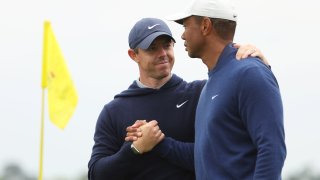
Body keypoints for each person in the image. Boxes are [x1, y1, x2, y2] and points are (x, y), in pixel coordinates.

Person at [88, 17, 268, 180]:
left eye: (166, 45)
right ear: (134, 55)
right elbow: (97, 174)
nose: (162, 54)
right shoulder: (114, 111)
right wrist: (135, 149)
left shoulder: (201, 93)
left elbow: (218, 155)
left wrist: (260, 64)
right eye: (152, 48)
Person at [164, 0, 286, 179]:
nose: (182, 36)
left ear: (205, 26)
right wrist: (159, 143)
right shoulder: (213, 82)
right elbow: (206, 156)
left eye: (186, 25)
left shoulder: (250, 73)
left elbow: (272, 148)